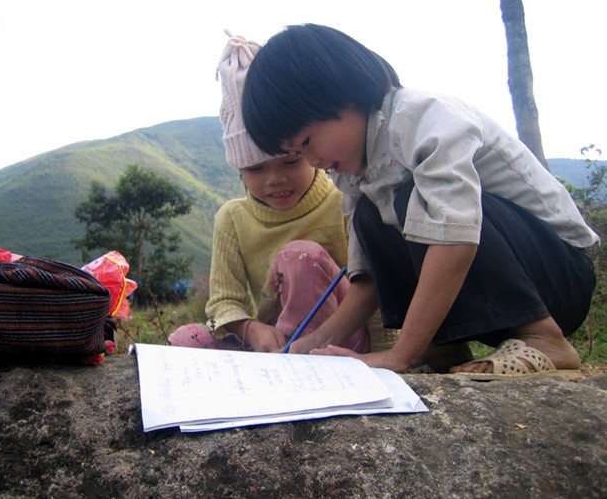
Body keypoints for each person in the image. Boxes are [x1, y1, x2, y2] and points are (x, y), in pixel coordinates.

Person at [240, 23, 599, 376]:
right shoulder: (355, 174)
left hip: (559, 277)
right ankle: (444, 346)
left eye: (306, 143)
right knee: (371, 215)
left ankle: (543, 337)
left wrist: (400, 355)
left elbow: (455, 241)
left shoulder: (427, 120)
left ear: (343, 96)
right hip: (494, 290)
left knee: (410, 200)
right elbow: (369, 279)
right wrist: (313, 342)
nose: (313, 161)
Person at [168, 31, 384, 353]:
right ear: (239, 170)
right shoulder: (232, 219)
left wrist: (385, 358)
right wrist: (251, 329)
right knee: (187, 339)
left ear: (309, 150)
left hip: (338, 342)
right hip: (275, 345)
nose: (275, 179)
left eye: (290, 161)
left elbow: (372, 289)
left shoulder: (343, 202)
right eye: (256, 170)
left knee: (300, 258)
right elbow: (224, 302)